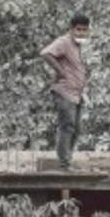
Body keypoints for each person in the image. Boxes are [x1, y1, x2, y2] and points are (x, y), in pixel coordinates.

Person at [40, 13, 90, 170]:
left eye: (84, 30)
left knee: (78, 128)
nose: (81, 32)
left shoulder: (80, 45)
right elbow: (46, 53)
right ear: (71, 29)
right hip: (64, 91)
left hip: (77, 93)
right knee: (67, 126)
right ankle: (64, 163)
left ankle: (67, 158)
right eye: (78, 29)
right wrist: (60, 71)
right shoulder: (64, 42)